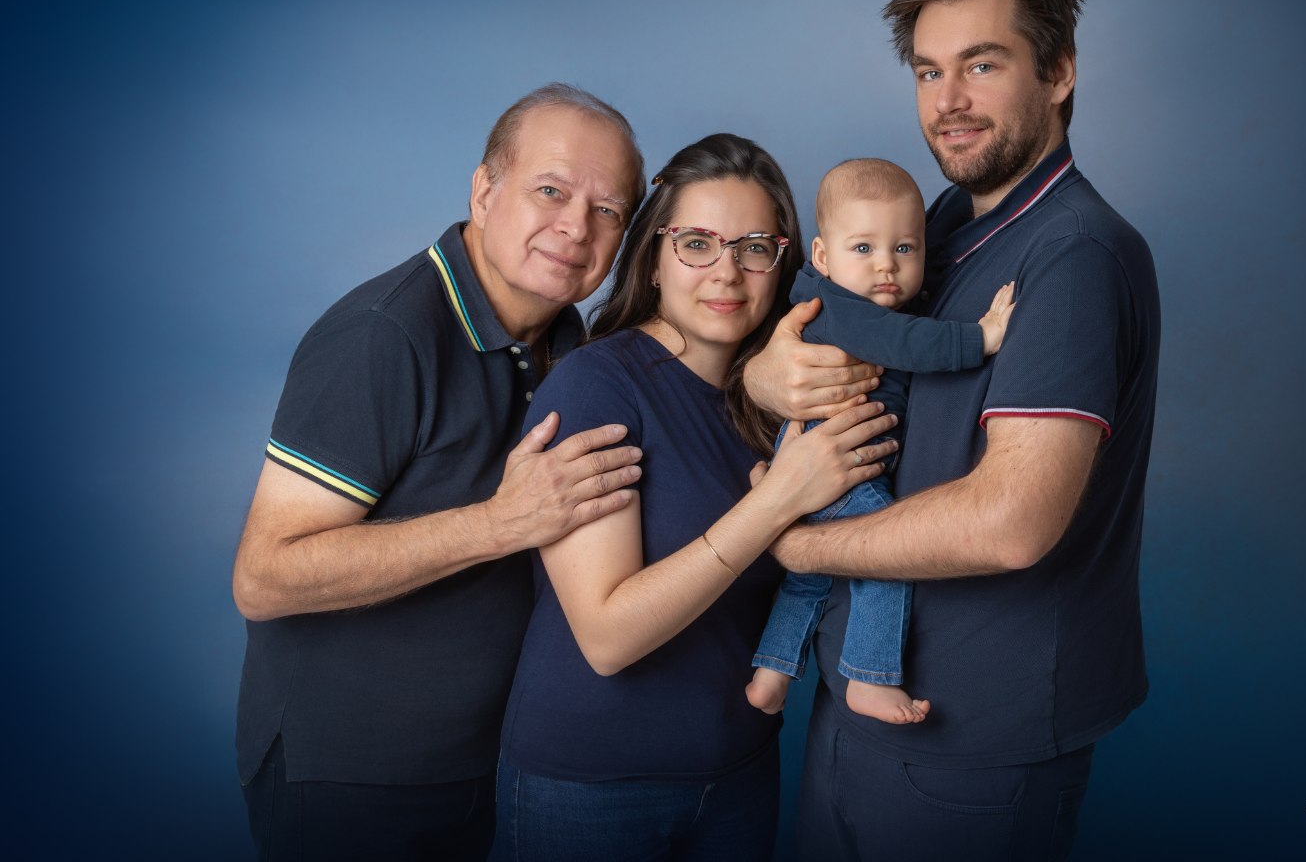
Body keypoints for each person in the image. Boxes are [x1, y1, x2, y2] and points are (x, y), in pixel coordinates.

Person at [747, 0, 1161, 859]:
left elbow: (1012, 522)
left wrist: (791, 538)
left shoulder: (1073, 253)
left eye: (982, 63)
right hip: (853, 705)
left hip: (973, 738)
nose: (948, 101)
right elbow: (826, 326)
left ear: (1058, 72)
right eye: (930, 72)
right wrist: (766, 377)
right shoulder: (932, 229)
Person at [231, 83, 650, 861]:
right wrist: (502, 522)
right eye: (551, 191)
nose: (576, 227)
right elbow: (264, 575)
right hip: (355, 780)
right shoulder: (382, 336)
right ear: (485, 192)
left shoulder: (564, 332)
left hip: (485, 764)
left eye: (608, 211)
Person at [495, 134, 899, 861]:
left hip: (740, 775)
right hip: (593, 786)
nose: (728, 273)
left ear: (786, 264)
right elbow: (607, 637)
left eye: (753, 247)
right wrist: (775, 502)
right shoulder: (598, 386)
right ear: (653, 256)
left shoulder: (780, 400)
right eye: (696, 243)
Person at [744, 158, 1015, 725]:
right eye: (862, 250)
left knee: (809, 578)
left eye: (905, 249)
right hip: (836, 465)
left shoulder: (852, 298)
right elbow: (908, 343)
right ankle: (868, 677)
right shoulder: (842, 309)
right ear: (822, 257)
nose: (886, 268)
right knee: (884, 558)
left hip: (820, 464)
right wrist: (981, 338)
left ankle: (771, 672)